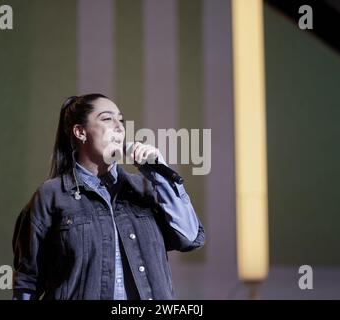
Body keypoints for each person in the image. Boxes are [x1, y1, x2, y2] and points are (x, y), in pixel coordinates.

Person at [12, 93, 205, 300]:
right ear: (80, 132)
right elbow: (27, 282)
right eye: (107, 119)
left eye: (121, 120)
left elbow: (190, 238)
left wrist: (161, 174)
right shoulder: (52, 195)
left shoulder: (145, 188)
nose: (119, 127)